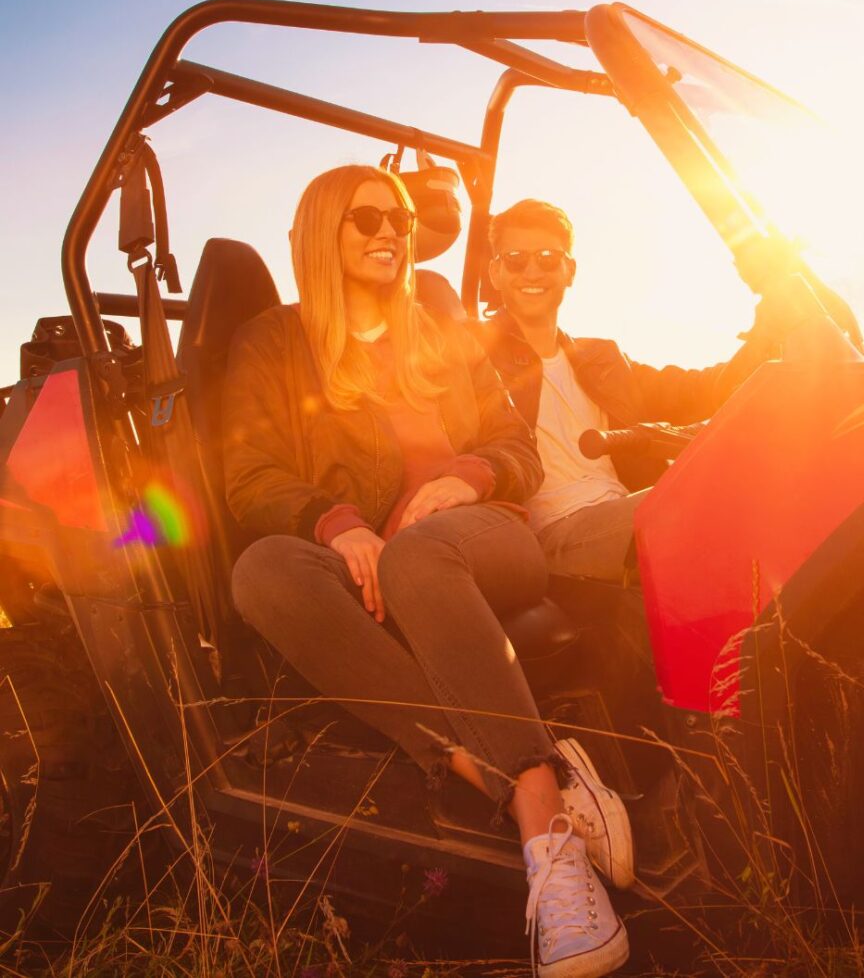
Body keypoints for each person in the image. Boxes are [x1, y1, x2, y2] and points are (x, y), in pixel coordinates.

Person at [223, 166, 632, 978]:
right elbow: (250, 477)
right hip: (370, 556)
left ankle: (550, 843)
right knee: (263, 569)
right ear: (321, 231)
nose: (390, 232)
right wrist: (336, 526)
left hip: (482, 540)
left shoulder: (441, 332)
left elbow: (516, 448)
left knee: (420, 551)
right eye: (366, 217)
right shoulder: (274, 342)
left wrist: (465, 478)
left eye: (402, 221)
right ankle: (493, 770)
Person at [478, 199, 776, 588]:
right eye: (516, 259)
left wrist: (767, 337)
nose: (532, 270)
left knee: (761, 477)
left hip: (623, 510)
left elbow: (699, 390)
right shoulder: (472, 355)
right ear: (496, 272)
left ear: (569, 270)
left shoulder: (602, 358)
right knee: (703, 503)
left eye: (549, 258)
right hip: (552, 534)